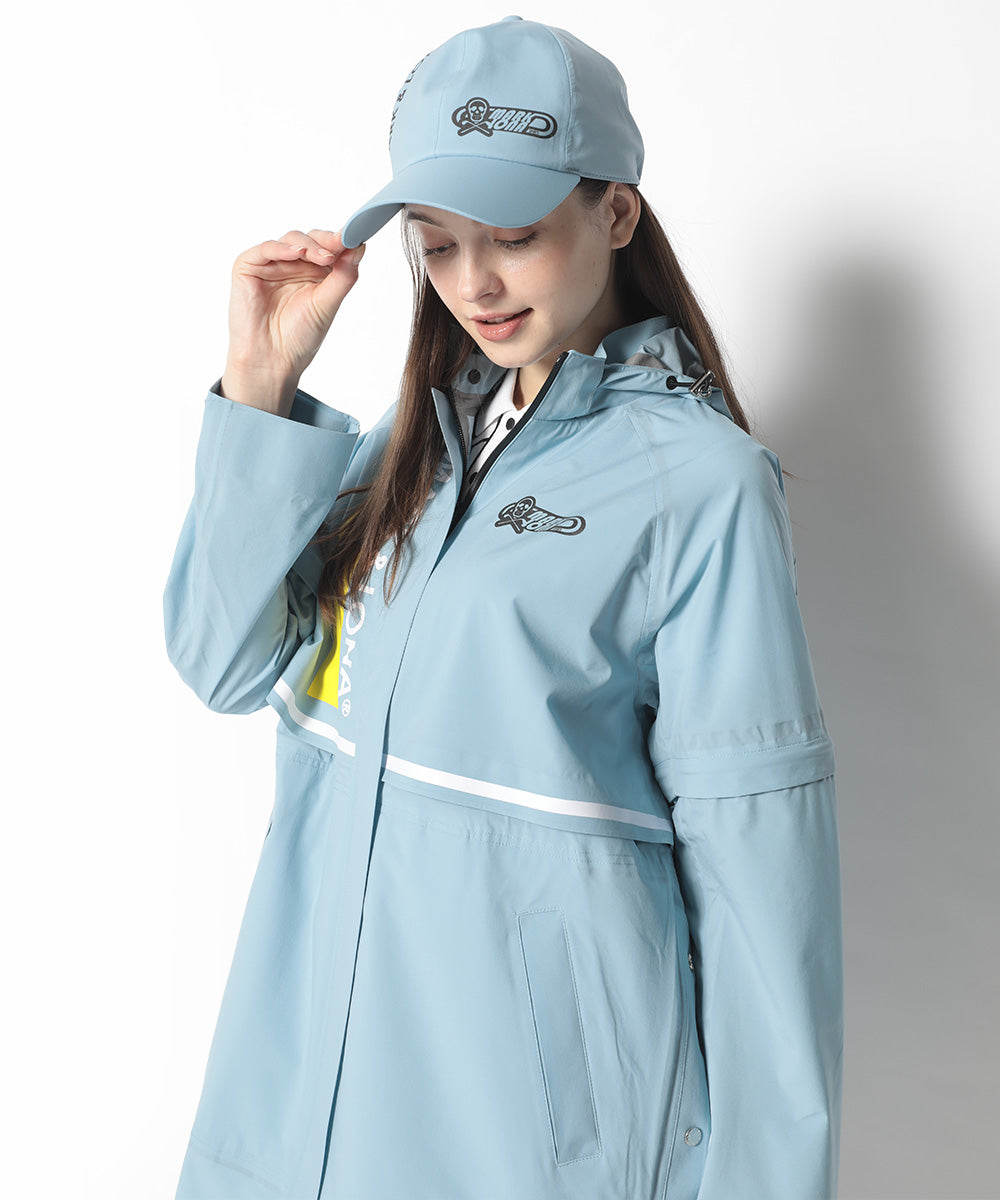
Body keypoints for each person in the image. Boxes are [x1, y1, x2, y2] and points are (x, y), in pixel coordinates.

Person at [164, 15, 843, 1200]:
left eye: (515, 237)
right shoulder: (413, 448)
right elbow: (222, 663)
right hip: (302, 1092)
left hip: (523, 1139)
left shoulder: (702, 485)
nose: (473, 283)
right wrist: (261, 389)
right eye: (437, 244)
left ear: (616, 213)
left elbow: (762, 878)